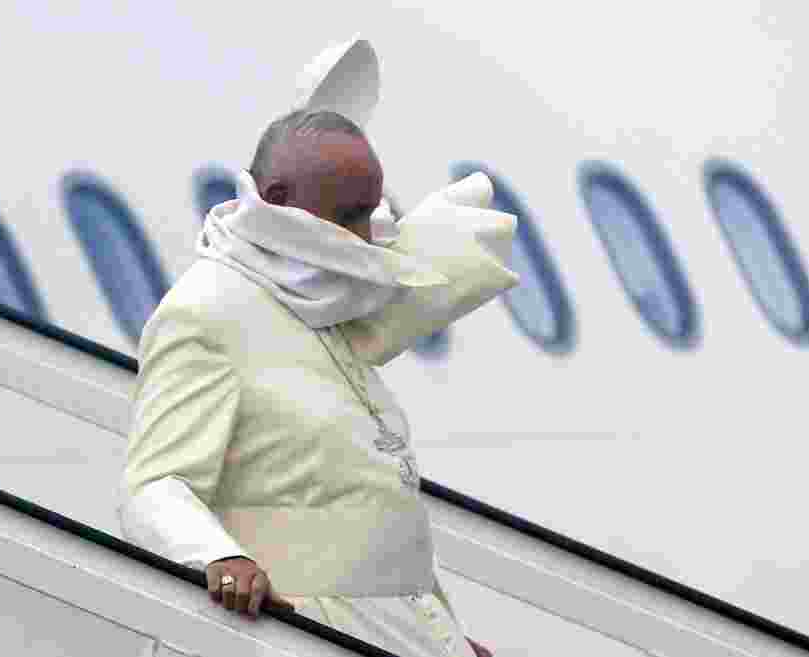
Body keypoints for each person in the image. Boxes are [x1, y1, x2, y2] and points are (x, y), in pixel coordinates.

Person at [118, 37, 518, 657]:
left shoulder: (318, 301)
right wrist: (219, 556)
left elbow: (359, 497)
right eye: (351, 215)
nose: (366, 237)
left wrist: (444, 637)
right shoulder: (206, 311)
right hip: (294, 633)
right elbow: (154, 482)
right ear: (277, 200)